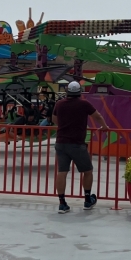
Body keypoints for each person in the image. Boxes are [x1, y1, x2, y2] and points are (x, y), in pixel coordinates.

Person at [51, 80, 107, 213]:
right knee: (87, 171)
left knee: (62, 172)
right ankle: (88, 200)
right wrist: (104, 127)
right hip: (76, 143)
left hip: (60, 143)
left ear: (67, 91)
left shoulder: (59, 104)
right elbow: (97, 115)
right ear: (80, 92)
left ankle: (62, 203)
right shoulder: (84, 104)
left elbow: (54, 119)